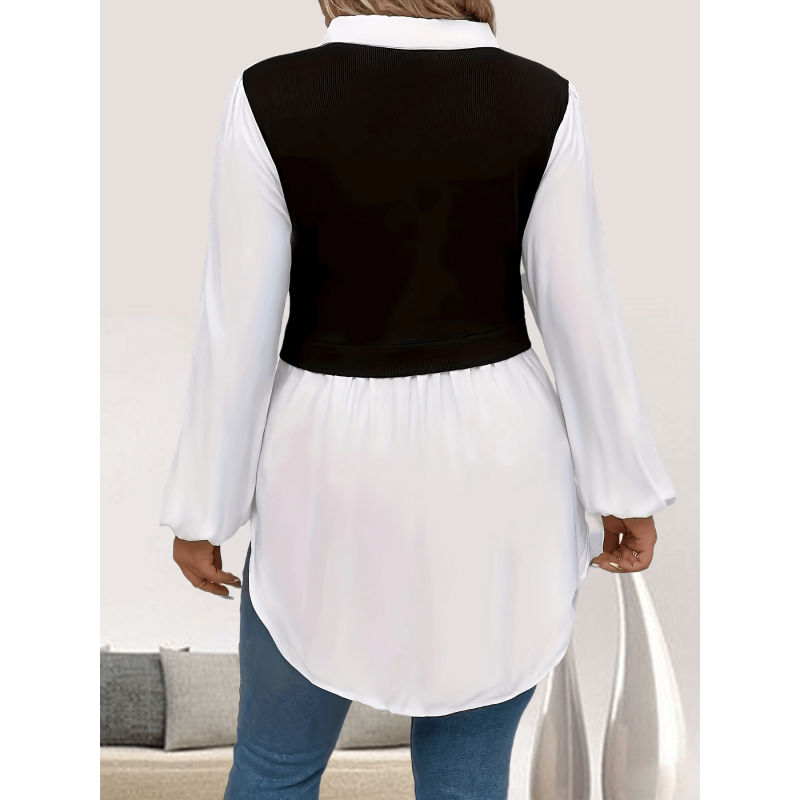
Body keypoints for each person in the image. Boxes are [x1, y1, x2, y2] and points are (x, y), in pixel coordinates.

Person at [160, 2, 676, 798]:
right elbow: (582, 317)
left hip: (325, 464)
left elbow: (237, 329)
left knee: (275, 765)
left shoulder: (267, 94)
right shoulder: (541, 97)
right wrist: (625, 489)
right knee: (466, 779)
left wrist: (204, 511)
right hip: (499, 463)